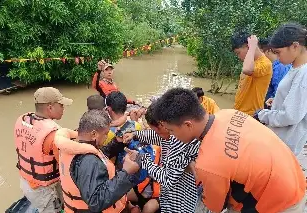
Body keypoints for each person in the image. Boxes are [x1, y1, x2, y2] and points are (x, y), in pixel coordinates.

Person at [153, 88, 306, 213]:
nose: (171, 136)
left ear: (187, 125)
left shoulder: (208, 164)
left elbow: (215, 207)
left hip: (281, 204)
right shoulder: (229, 113)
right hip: (295, 179)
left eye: (171, 131)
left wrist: (199, 176)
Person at [54, 110, 141, 213]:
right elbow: (96, 201)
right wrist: (126, 173)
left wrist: (117, 142)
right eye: (105, 134)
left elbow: (100, 155)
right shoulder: (88, 161)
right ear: (94, 134)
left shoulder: (73, 145)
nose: (106, 137)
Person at [123, 101, 199, 213]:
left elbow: (167, 179)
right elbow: (157, 136)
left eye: (155, 129)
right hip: (168, 195)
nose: (155, 133)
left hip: (179, 200)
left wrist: (141, 159)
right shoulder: (174, 129)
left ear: (163, 125)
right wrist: (135, 135)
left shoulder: (179, 141)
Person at [14, 87, 73, 213]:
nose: (64, 108)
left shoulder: (24, 120)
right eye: (61, 105)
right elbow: (65, 167)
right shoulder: (52, 134)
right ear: (50, 107)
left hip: (26, 182)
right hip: (43, 191)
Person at [256, 23, 307, 165]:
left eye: (278, 52)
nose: (277, 57)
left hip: (284, 145)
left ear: (295, 47)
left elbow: (291, 115)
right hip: (279, 140)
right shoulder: (295, 69)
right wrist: (278, 100)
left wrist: (262, 115)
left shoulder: (303, 75)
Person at [231, 32, 272, 115]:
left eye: (238, 53)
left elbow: (247, 69)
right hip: (239, 113)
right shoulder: (250, 62)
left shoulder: (265, 64)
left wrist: (252, 47)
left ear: (248, 46)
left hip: (251, 115)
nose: (238, 57)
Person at [259, 38, 292, 108]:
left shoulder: (279, 67)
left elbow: (278, 91)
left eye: (260, 53)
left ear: (268, 51)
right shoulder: (275, 66)